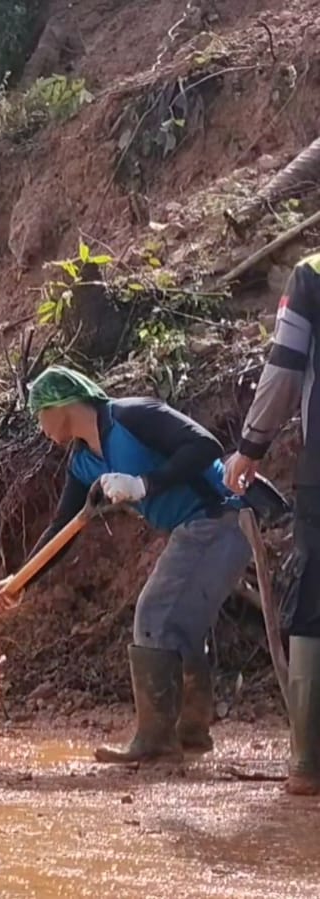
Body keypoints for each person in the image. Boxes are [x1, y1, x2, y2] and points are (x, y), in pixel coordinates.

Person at [0, 366, 250, 764]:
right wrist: (19, 580)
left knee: (155, 614)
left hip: (220, 516)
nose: (40, 427)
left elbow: (205, 446)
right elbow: (62, 529)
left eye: (40, 415)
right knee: (178, 624)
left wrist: (144, 483)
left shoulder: (132, 415)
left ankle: (156, 742)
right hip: (194, 527)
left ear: (61, 406)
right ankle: (188, 735)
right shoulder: (82, 463)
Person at [224, 250, 320, 794]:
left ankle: (309, 762)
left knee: (314, 601)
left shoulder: (313, 274)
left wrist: (251, 446)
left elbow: (284, 368)